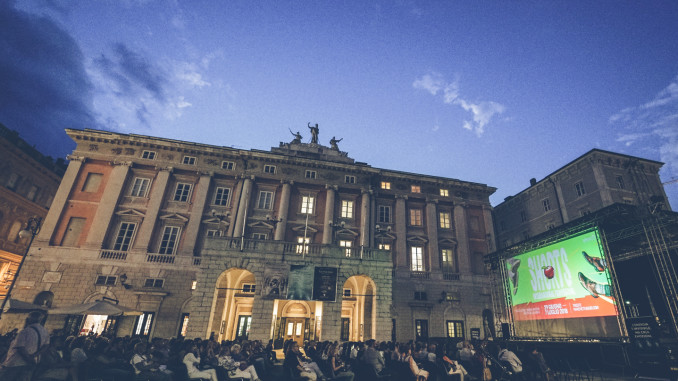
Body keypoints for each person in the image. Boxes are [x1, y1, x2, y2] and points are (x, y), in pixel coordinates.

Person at [0, 310, 50, 381]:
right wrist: (34, 356)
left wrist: (28, 358)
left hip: (15, 363)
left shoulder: (25, 331)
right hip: (32, 362)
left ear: (29, 319)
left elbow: (20, 348)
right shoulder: (45, 332)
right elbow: (45, 346)